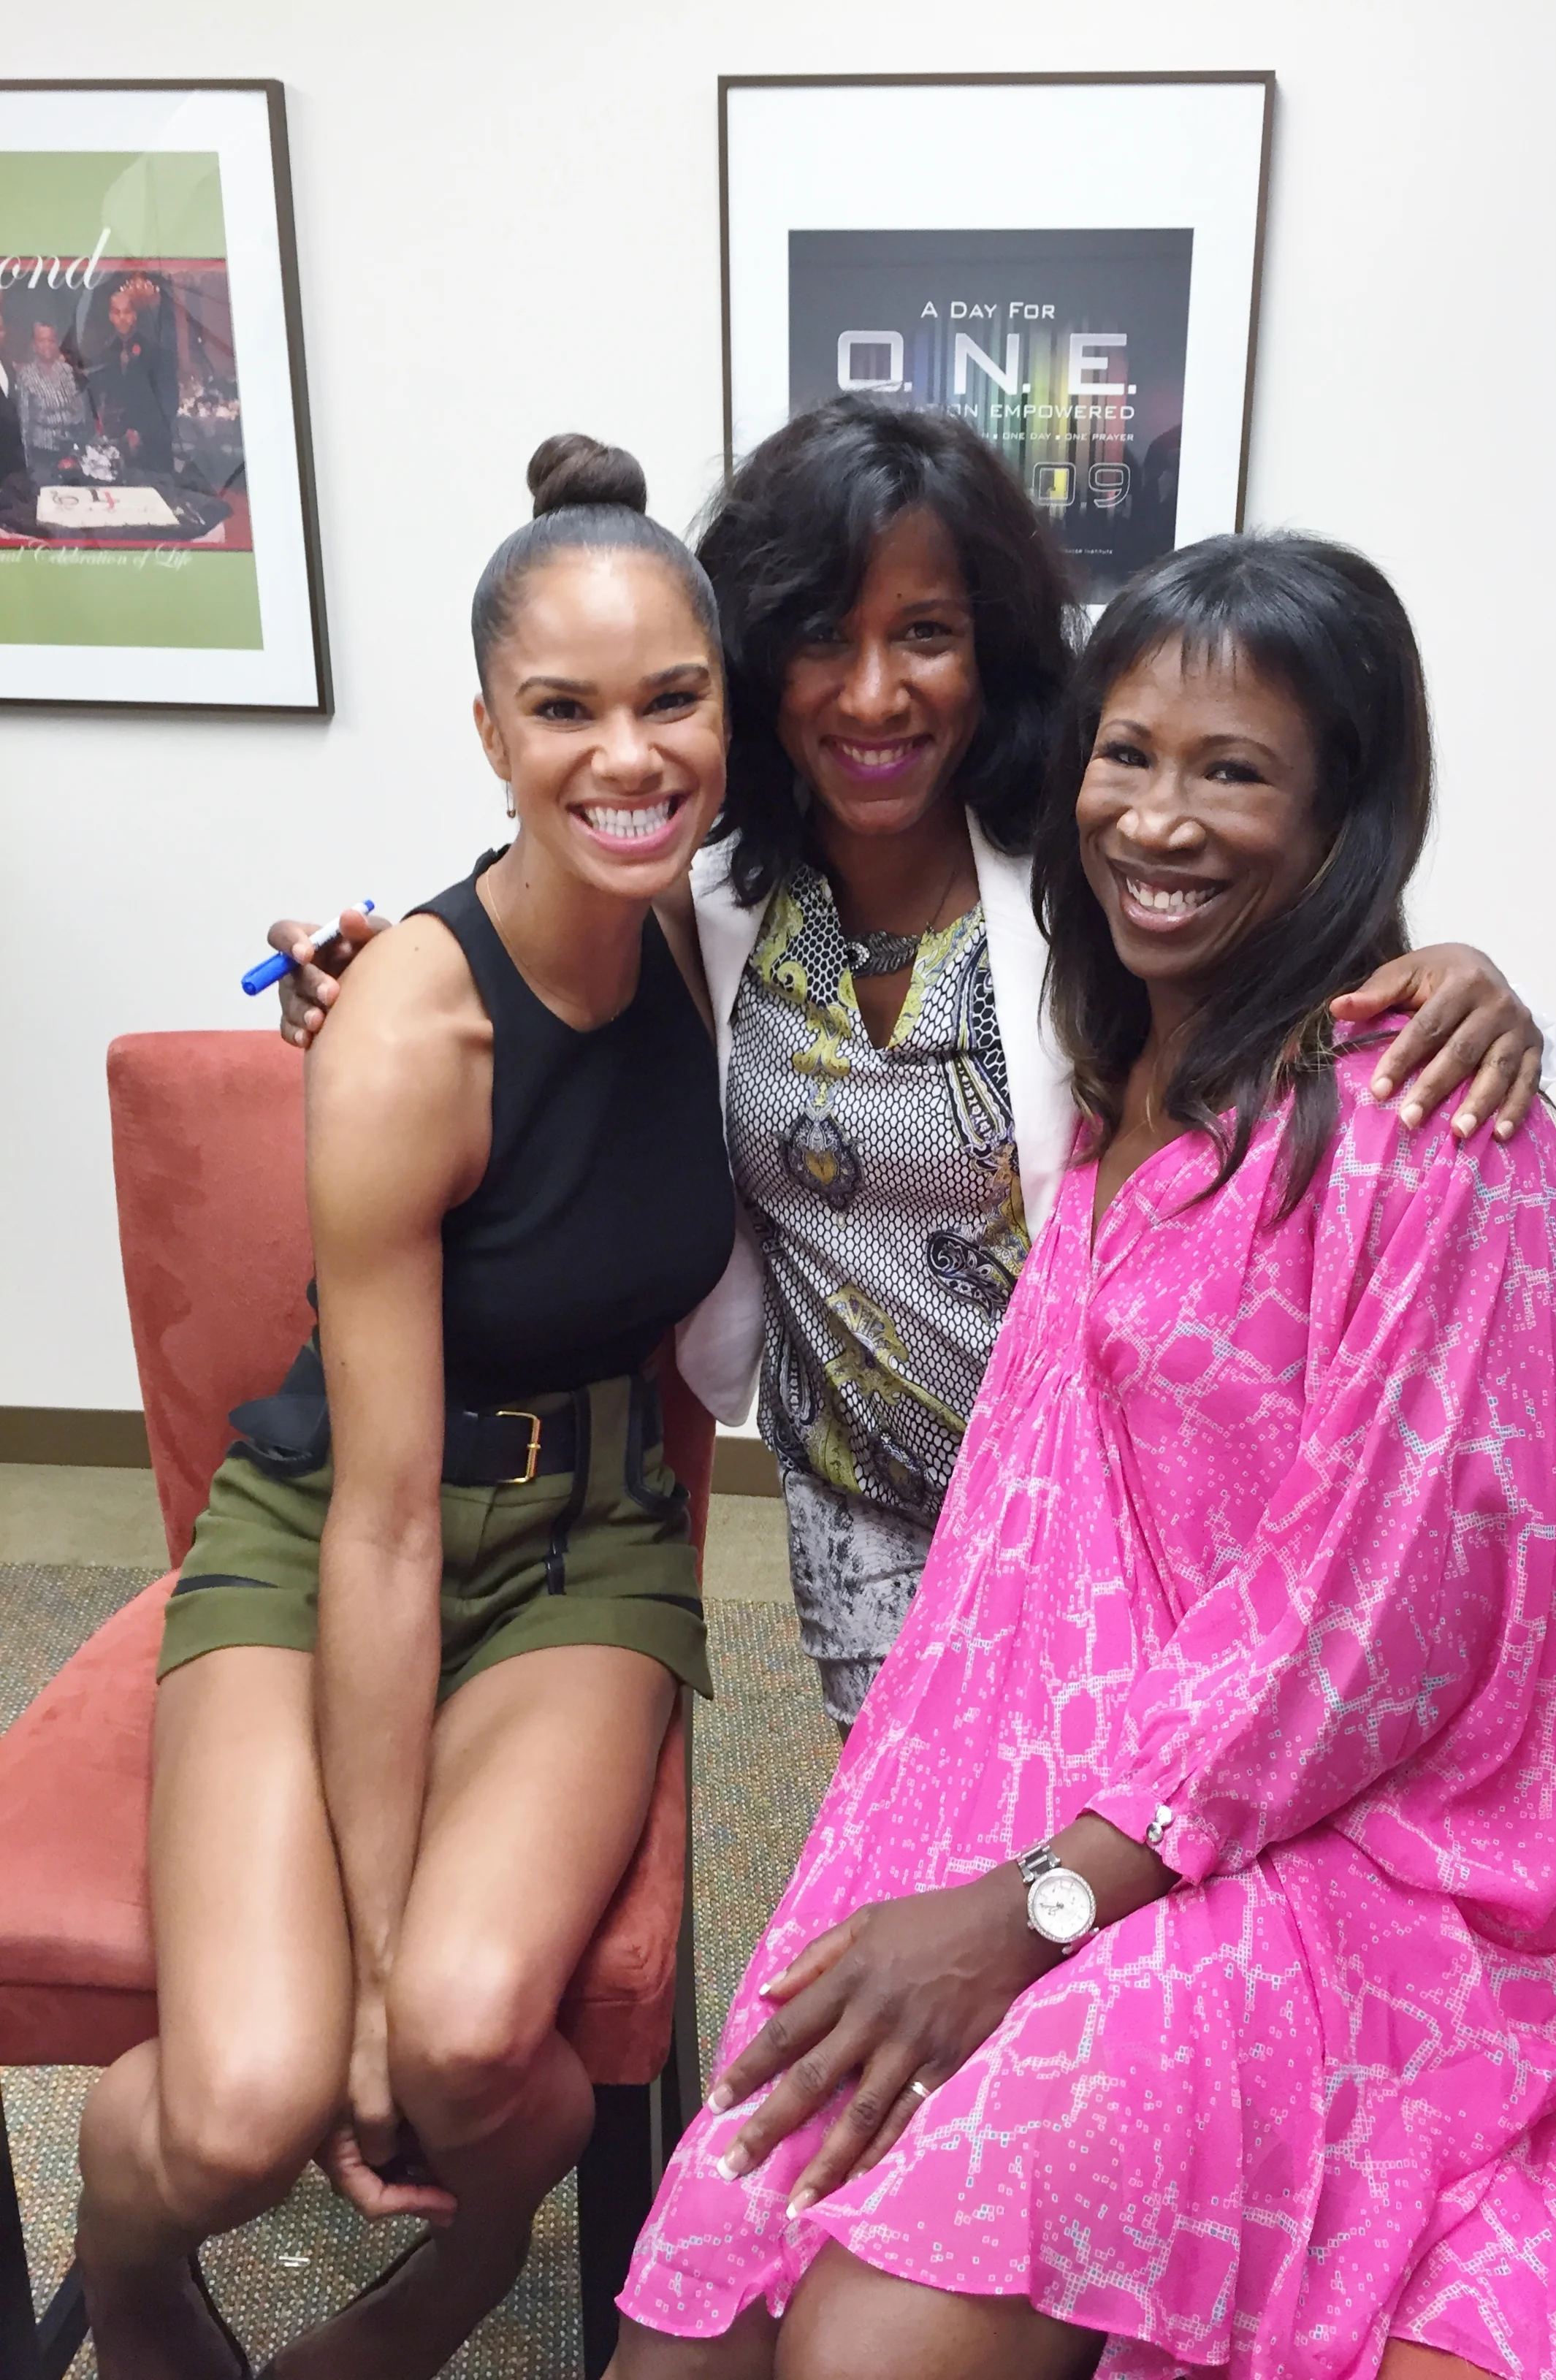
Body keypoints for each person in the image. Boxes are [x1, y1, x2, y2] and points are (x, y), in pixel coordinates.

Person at [609, 530, 1556, 2380]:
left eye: (1232, 770)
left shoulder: (1428, 1133)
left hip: (1362, 1845)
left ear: (1344, 807)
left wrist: (1027, 1910)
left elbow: (1371, 1633)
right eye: (1127, 755)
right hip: (1102, 1766)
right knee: (712, 2288)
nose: (1158, 817)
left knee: (869, 2343)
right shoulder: (1116, 1066)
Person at [271, 398, 1553, 1731]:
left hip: (1100, 1511)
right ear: (751, 662)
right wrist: (366, 975)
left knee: (1092, 1897)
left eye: (925, 634)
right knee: (908, 1893)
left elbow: (1275, 952)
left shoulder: (1087, 874)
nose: (873, 691)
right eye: (822, 634)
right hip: (858, 1507)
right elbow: (532, 922)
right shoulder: (707, 889)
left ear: (991, 651)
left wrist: (1458, 968)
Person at [75, 434, 736, 2380]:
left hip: (592, 1544)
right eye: (566, 711)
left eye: (673, 699)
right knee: (248, 2102)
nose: (630, 757)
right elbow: (372, 1524)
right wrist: (355, 1973)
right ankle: (121, 2255)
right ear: (485, 731)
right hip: (330, 1535)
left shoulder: (711, 924)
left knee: (474, 2051)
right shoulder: (404, 1029)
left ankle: (448, 2289)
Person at [88, 283, 176, 476]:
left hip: (152, 446)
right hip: (118, 447)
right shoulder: (104, 354)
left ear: (134, 315)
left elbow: (168, 401)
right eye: (116, 313)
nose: (122, 318)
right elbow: (102, 398)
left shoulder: (154, 351)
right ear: (110, 316)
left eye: (127, 312)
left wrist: (141, 432)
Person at [14, 315, 92, 483]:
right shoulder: (26, 376)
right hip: (42, 454)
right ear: (34, 345)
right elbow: (25, 424)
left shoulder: (67, 371)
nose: (47, 345)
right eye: (42, 340)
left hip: (70, 451)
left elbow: (78, 410)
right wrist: (28, 465)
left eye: (51, 340)